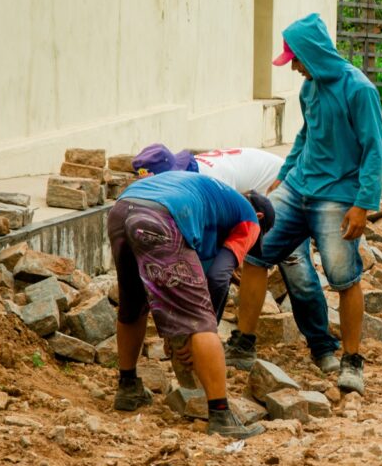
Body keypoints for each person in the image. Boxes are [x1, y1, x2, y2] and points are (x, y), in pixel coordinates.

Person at [227, 13, 382, 396]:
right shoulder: (309, 90)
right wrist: (285, 172)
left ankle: (351, 361)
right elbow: (306, 134)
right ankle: (244, 344)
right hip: (298, 188)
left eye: (296, 59)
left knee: (344, 277)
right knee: (256, 250)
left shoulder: (359, 90)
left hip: (337, 196)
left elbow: (374, 151)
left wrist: (363, 204)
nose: (295, 68)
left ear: (311, 54)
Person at [132, 144, 340, 373]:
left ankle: (322, 347)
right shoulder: (186, 181)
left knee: (295, 265)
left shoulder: (211, 183)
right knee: (253, 260)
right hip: (255, 198)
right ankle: (244, 343)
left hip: (281, 189)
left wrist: (199, 331)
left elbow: (215, 271)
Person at [107, 170, 274, 440]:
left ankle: (128, 388)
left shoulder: (217, 199)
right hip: (162, 216)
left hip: (122, 208)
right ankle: (221, 415)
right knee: (200, 319)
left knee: (133, 303)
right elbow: (219, 278)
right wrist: (196, 333)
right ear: (261, 220)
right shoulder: (249, 219)